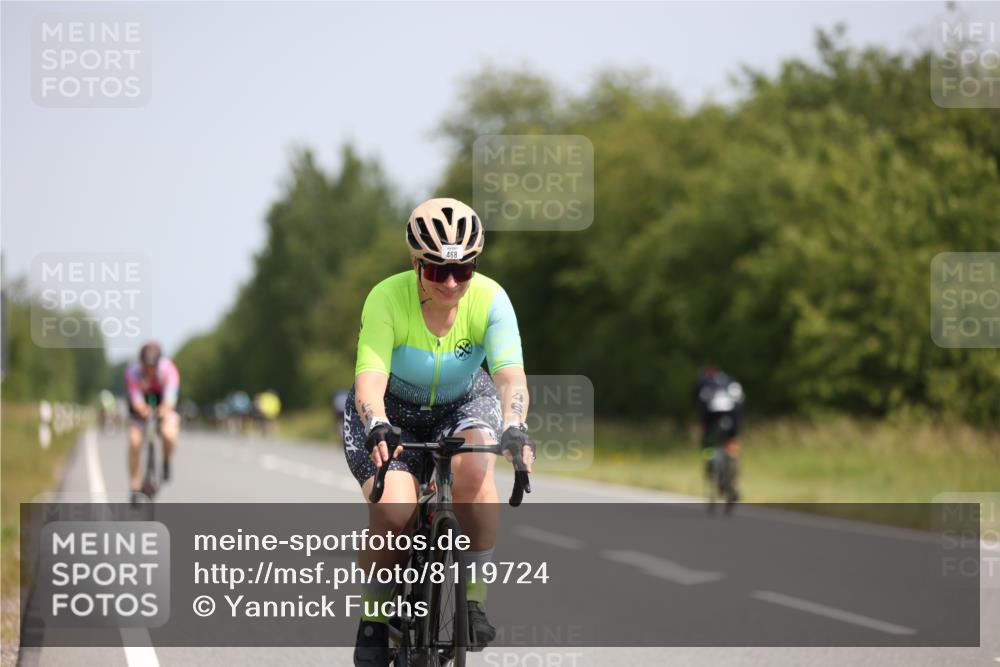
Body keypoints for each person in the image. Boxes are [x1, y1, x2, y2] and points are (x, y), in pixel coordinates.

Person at [346, 198, 535, 666]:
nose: (451, 283)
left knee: (475, 470)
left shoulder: (491, 298)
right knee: (394, 511)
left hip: (464, 401)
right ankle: (374, 615)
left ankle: (473, 600)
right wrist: (376, 422)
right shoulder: (386, 297)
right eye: (437, 272)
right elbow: (370, 379)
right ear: (416, 264)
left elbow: (510, 376)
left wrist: (514, 426)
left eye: (463, 270)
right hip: (390, 411)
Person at [124, 341, 181, 504]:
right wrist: (143, 410)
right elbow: (136, 400)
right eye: (146, 366)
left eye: (152, 367)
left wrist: (163, 411)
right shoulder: (133, 373)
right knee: (134, 443)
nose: (149, 370)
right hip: (140, 408)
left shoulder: (169, 370)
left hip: (163, 404)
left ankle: (166, 460)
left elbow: (170, 399)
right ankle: (135, 486)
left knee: (169, 434)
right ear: (140, 363)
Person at [694, 365, 745, 503]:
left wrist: (703, 431)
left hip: (712, 415)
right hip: (731, 414)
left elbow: (701, 410)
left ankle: (710, 459)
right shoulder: (729, 381)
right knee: (732, 446)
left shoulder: (704, 383)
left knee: (708, 441)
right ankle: (734, 483)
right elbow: (739, 407)